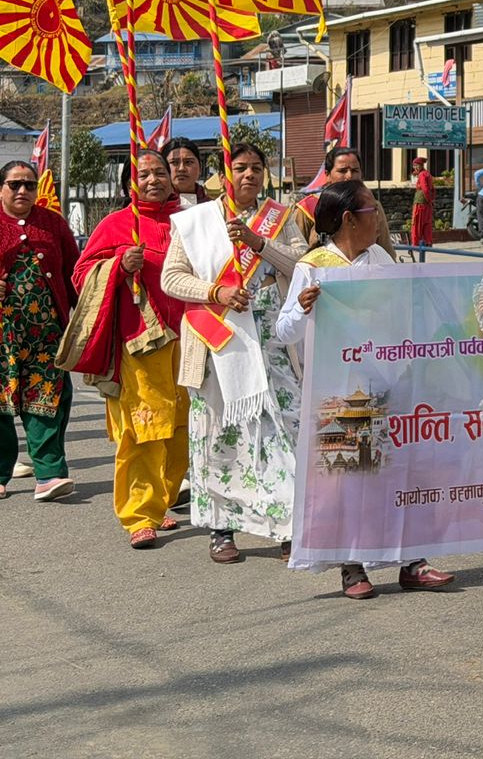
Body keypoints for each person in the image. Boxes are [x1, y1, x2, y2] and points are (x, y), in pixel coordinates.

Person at [273, 179, 456, 598]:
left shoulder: (379, 257)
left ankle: (412, 561)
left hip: (387, 379)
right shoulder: (313, 266)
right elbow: (284, 332)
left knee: (399, 473)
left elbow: (402, 311)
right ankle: (352, 566)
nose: (380, 219)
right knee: (349, 478)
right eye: (372, 210)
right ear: (349, 219)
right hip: (340, 388)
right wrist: (301, 308)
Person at [162, 143, 306, 565]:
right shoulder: (196, 221)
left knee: (284, 431)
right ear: (224, 174)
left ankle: (287, 524)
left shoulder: (281, 218)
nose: (249, 175)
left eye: (256, 168)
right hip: (217, 341)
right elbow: (172, 277)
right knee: (220, 436)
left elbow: (302, 265)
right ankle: (221, 528)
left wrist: (259, 243)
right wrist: (216, 291)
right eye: (240, 167)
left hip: (272, 341)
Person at [68, 151, 189, 547]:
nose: (153, 180)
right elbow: (81, 276)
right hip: (142, 341)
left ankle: (161, 500)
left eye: (160, 172)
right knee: (145, 428)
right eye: (143, 174)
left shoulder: (190, 220)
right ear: (128, 184)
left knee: (183, 428)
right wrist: (119, 265)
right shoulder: (117, 224)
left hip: (193, 338)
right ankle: (140, 514)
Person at [0, 160, 80, 502]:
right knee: (0, 404)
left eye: (29, 185)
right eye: (14, 184)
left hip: (47, 334)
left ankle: (49, 474)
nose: (23, 190)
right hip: (2, 336)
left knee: (46, 400)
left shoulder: (53, 223)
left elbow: (75, 272)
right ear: (1, 188)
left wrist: (85, 317)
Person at [302, 147, 397, 259]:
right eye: (342, 171)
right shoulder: (306, 208)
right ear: (327, 175)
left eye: (355, 171)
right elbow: (298, 253)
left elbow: (386, 251)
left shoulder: (372, 207)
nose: (349, 176)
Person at [161, 137, 209, 208]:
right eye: (174, 162)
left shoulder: (214, 207)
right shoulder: (155, 207)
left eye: (188, 162)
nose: (181, 169)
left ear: (200, 167)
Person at [409, 157, 434, 258]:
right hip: (427, 204)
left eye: (416, 165)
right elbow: (432, 189)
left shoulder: (422, 175)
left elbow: (425, 189)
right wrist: (431, 200)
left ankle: (415, 244)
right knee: (427, 224)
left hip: (420, 204)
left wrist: (428, 199)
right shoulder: (427, 174)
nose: (415, 167)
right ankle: (427, 242)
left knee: (417, 224)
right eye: (414, 165)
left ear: (421, 165)